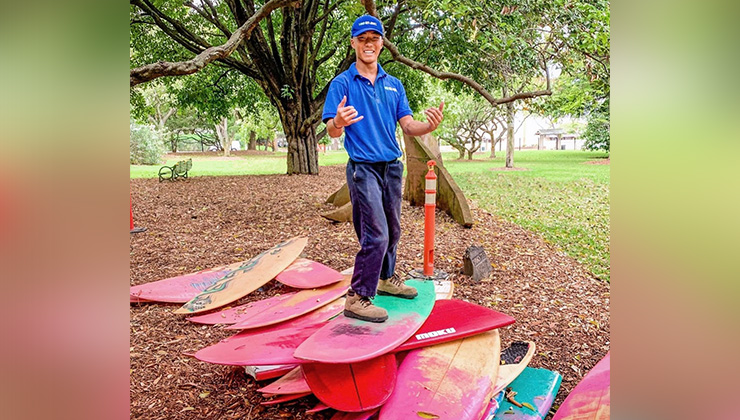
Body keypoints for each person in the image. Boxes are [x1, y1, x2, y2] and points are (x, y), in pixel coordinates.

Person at [322, 15, 444, 323]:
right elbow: (331, 131)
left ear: (381, 44)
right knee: (375, 234)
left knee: (393, 230)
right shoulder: (342, 83)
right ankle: (358, 297)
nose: (369, 44)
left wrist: (427, 125)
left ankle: (386, 278)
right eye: (362, 39)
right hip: (363, 169)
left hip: (392, 168)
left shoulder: (394, 85)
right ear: (354, 44)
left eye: (374, 39)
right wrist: (338, 121)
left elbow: (408, 124)